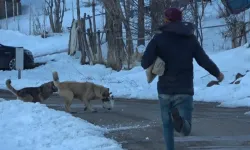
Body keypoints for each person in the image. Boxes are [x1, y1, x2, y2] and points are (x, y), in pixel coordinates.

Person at [141, 7, 224, 150]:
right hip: (184, 89)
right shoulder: (189, 38)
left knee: (167, 127)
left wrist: (157, 57)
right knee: (185, 129)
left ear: (166, 20)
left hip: (165, 90)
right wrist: (217, 73)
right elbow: (203, 60)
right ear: (180, 19)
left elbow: (144, 63)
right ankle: (178, 119)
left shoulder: (159, 38)